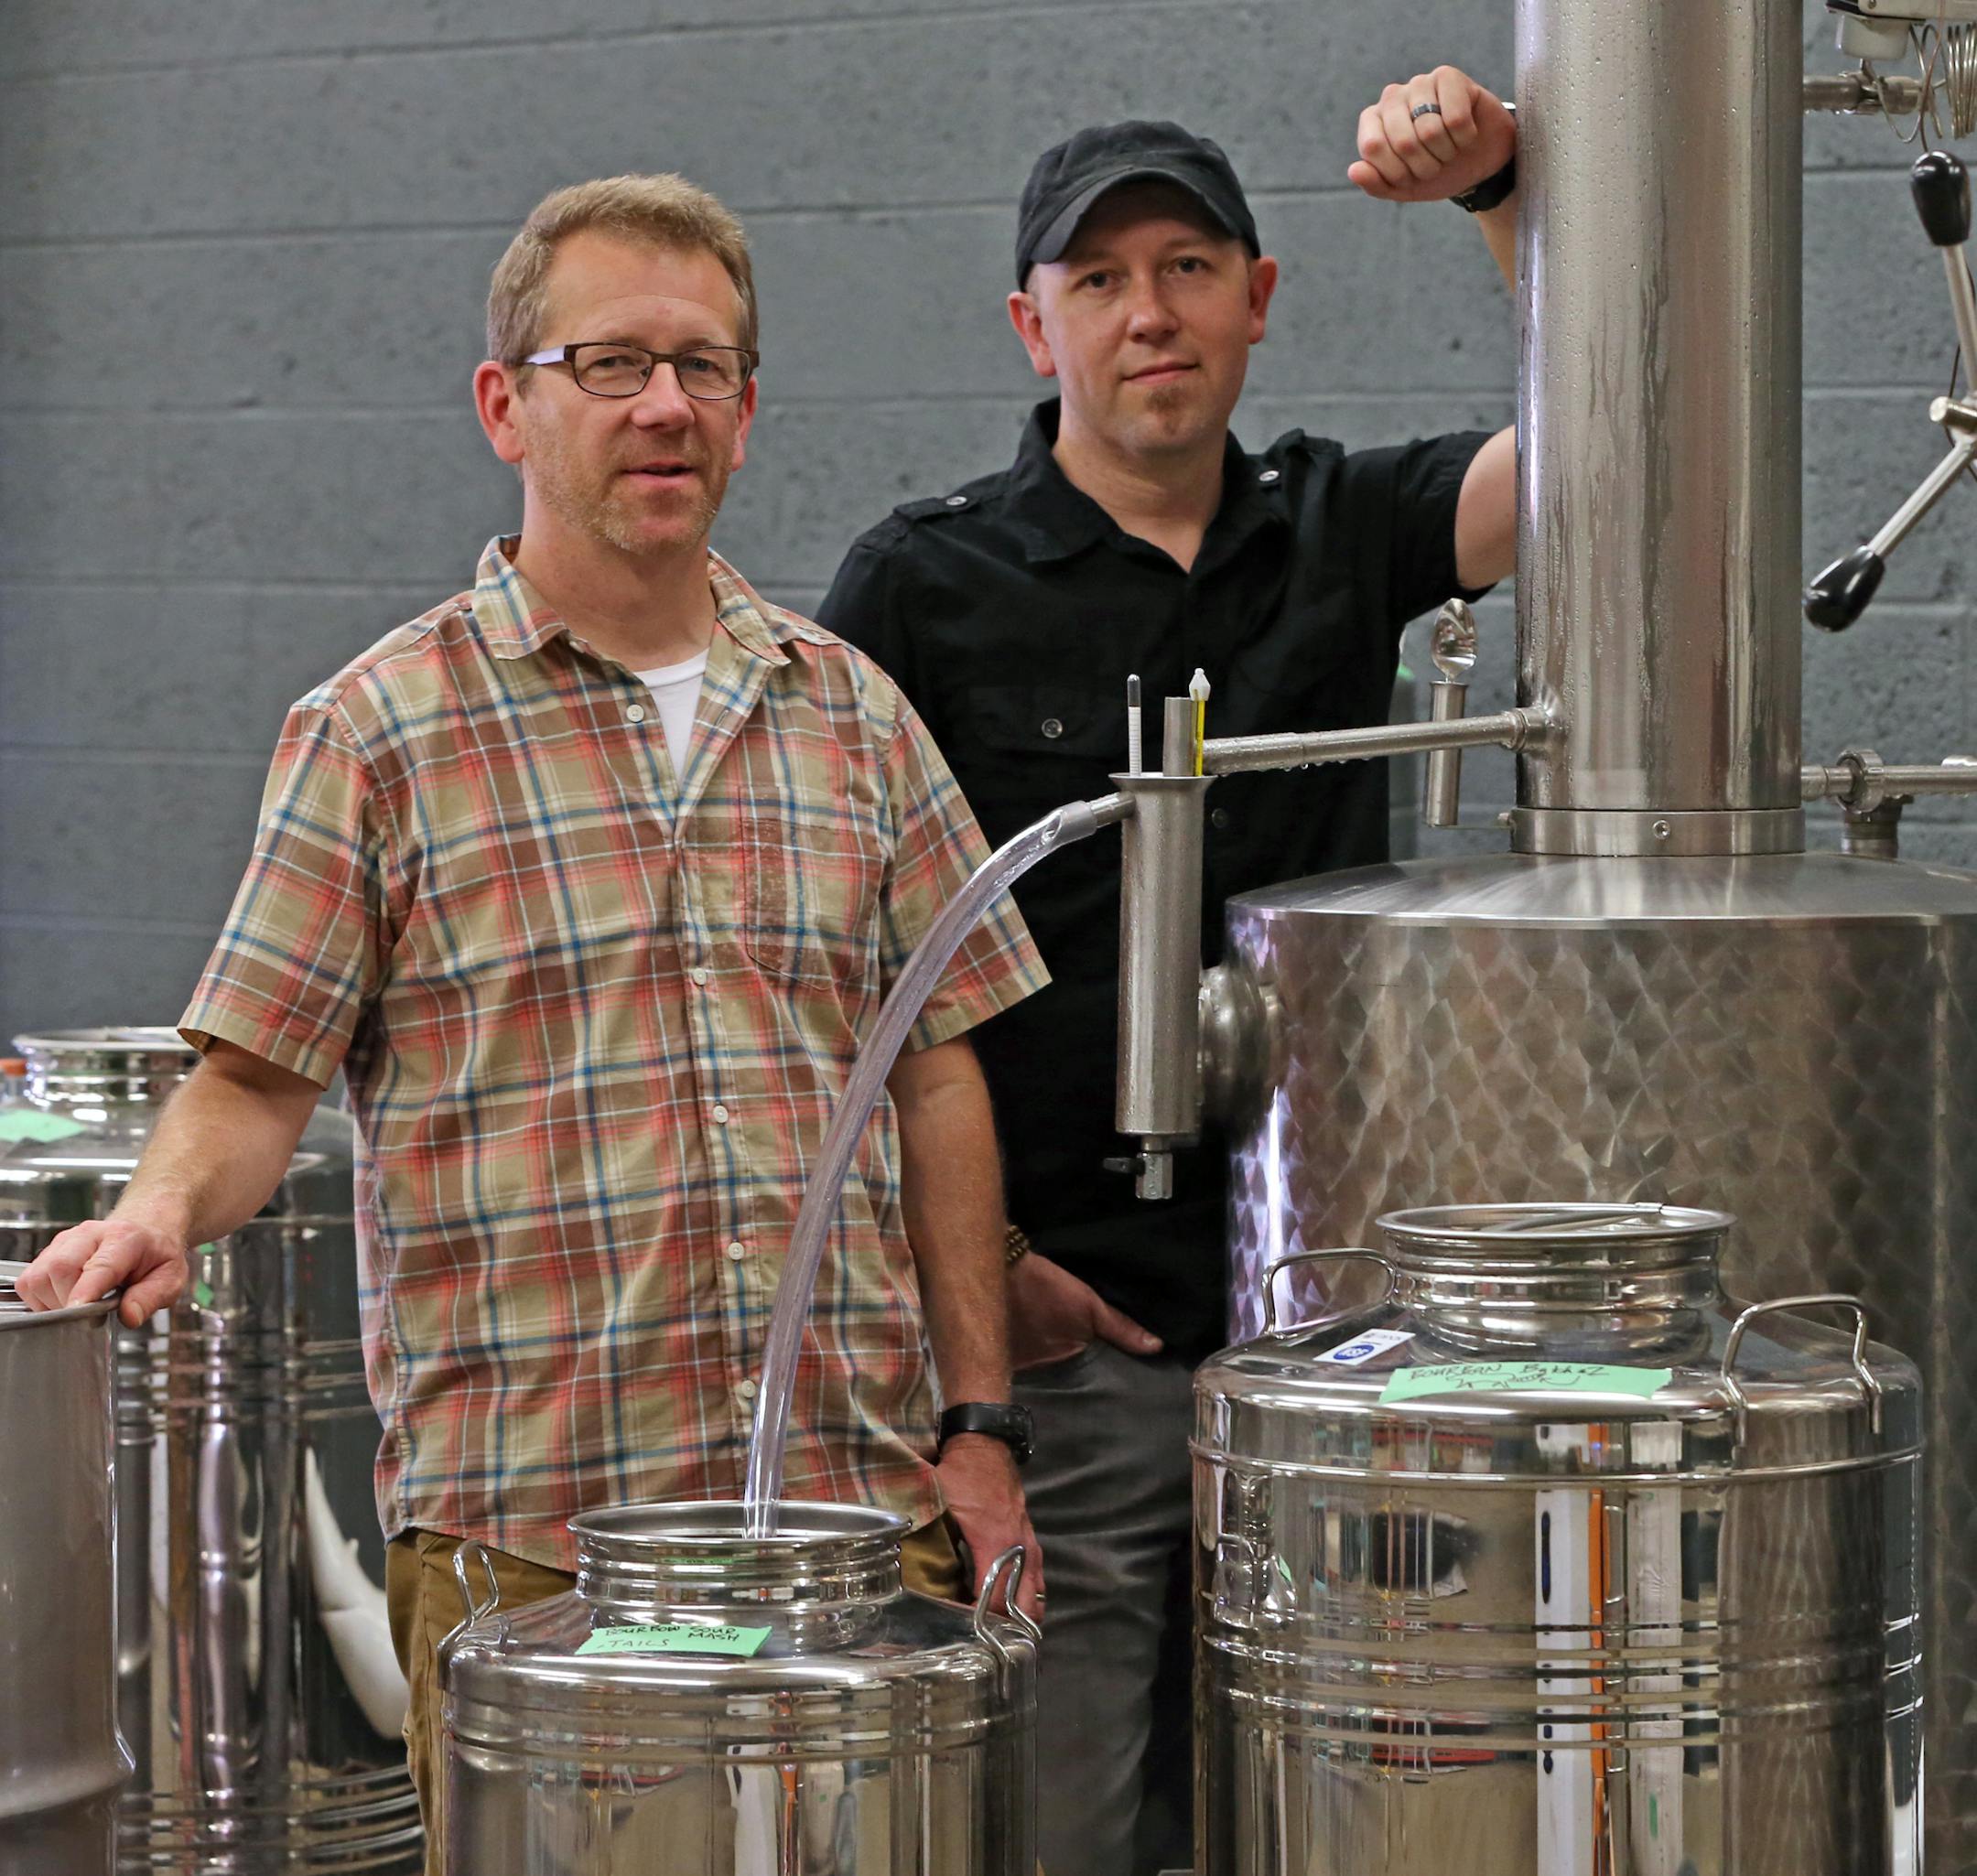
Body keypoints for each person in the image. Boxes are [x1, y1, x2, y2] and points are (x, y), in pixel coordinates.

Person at [11, 173, 1049, 1866]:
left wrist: (982, 1428)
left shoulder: (851, 714)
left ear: (750, 407)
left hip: (853, 1537)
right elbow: (255, 1076)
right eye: (614, 362)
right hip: (544, 1560)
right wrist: (154, 1209)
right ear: (508, 403)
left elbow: (937, 1079)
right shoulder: (379, 730)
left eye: (706, 367)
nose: (665, 405)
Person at [816, 70, 1520, 1876]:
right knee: (1051, 1811)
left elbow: (1620, 442)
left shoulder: (1344, 528)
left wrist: (1509, 196)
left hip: (1330, 1337)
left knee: (1324, 1809)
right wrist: (986, 1283)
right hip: (1068, 1341)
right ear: (1030, 322)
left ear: (1260, 298)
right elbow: (829, 965)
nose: (1152, 312)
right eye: (1104, 276)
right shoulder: (924, 583)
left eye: (1191, 264)